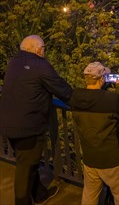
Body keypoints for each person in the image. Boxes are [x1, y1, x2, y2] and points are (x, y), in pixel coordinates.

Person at [0, 35, 73, 205]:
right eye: (44, 48)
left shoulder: (13, 62)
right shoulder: (41, 65)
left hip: (8, 123)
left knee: (28, 162)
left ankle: (40, 194)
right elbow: (64, 91)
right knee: (25, 168)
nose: (44, 51)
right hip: (28, 126)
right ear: (38, 49)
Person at [69, 62, 119, 205]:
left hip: (90, 156)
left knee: (90, 195)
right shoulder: (110, 100)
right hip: (113, 159)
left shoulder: (75, 97)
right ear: (101, 80)